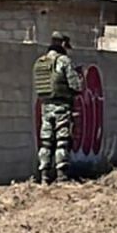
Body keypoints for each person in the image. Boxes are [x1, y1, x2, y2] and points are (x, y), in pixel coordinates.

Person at [33, 31, 82, 184]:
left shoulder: (41, 62)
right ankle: (61, 176)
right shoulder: (64, 61)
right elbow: (76, 86)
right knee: (62, 141)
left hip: (46, 107)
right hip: (62, 107)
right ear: (62, 44)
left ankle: (44, 177)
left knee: (46, 142)